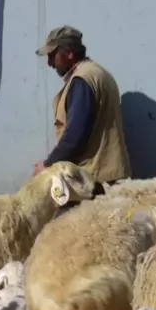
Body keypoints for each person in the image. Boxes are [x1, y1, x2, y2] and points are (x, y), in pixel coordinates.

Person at [32, 25, 132, 188]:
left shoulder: (82, 80)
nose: (50, 63)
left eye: (52, 56)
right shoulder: (98, 73)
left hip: (94, 180)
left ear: (69, 53)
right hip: (109, 175)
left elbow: (75, 136)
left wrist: (48, 165)